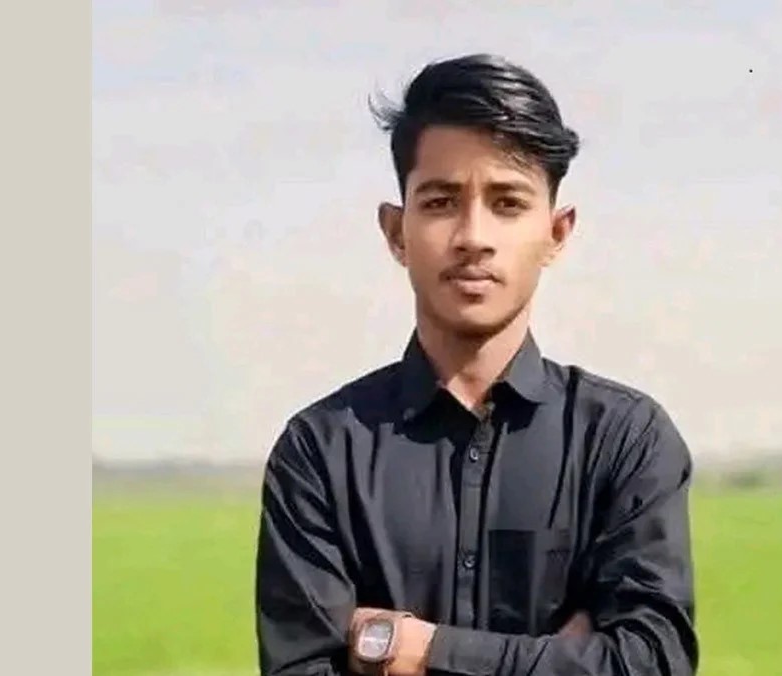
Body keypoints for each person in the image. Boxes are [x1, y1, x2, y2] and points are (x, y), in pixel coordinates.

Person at [255, 53, 699, 676]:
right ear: (396, 231)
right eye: (440, 202)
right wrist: (561, 660)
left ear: (557, 233)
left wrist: (420, 649)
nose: (473, 236)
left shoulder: (625, 440)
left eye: (507, 203)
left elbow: (651, 663)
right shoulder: (321, 452)